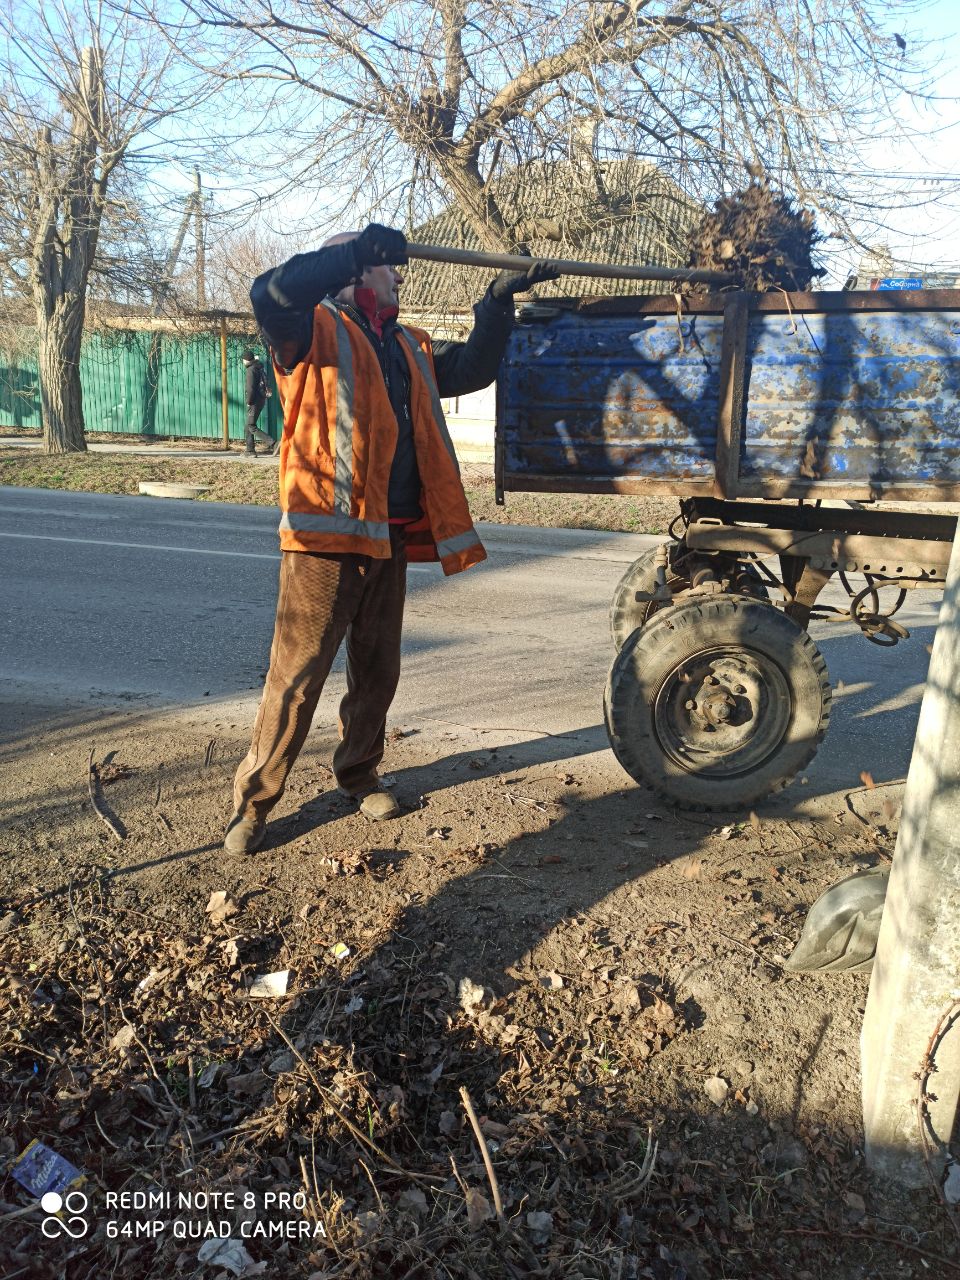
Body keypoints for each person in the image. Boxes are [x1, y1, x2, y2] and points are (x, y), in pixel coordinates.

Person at [224, 223, 559, 854]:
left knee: (378, 672)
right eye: (388, 267)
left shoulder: (410, 345)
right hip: (325, 541)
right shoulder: (307, 331)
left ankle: (357, 774)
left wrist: (495, 304)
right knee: (297, 680)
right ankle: (255, 804)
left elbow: (475, 368)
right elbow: (267, 293)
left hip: (390, 536)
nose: (400, 274)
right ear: (357, 273)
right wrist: (349, 252)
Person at [242, 349, 273, 455]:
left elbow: (250, 388)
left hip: (254, 401)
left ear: (246, 360)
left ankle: (273, 443)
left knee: (251, 426)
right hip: (261, 399)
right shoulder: (259, 367)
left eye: (243, 360)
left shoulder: (251, 370)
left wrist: (249, 401)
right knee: (248, 425)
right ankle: (250, 450)